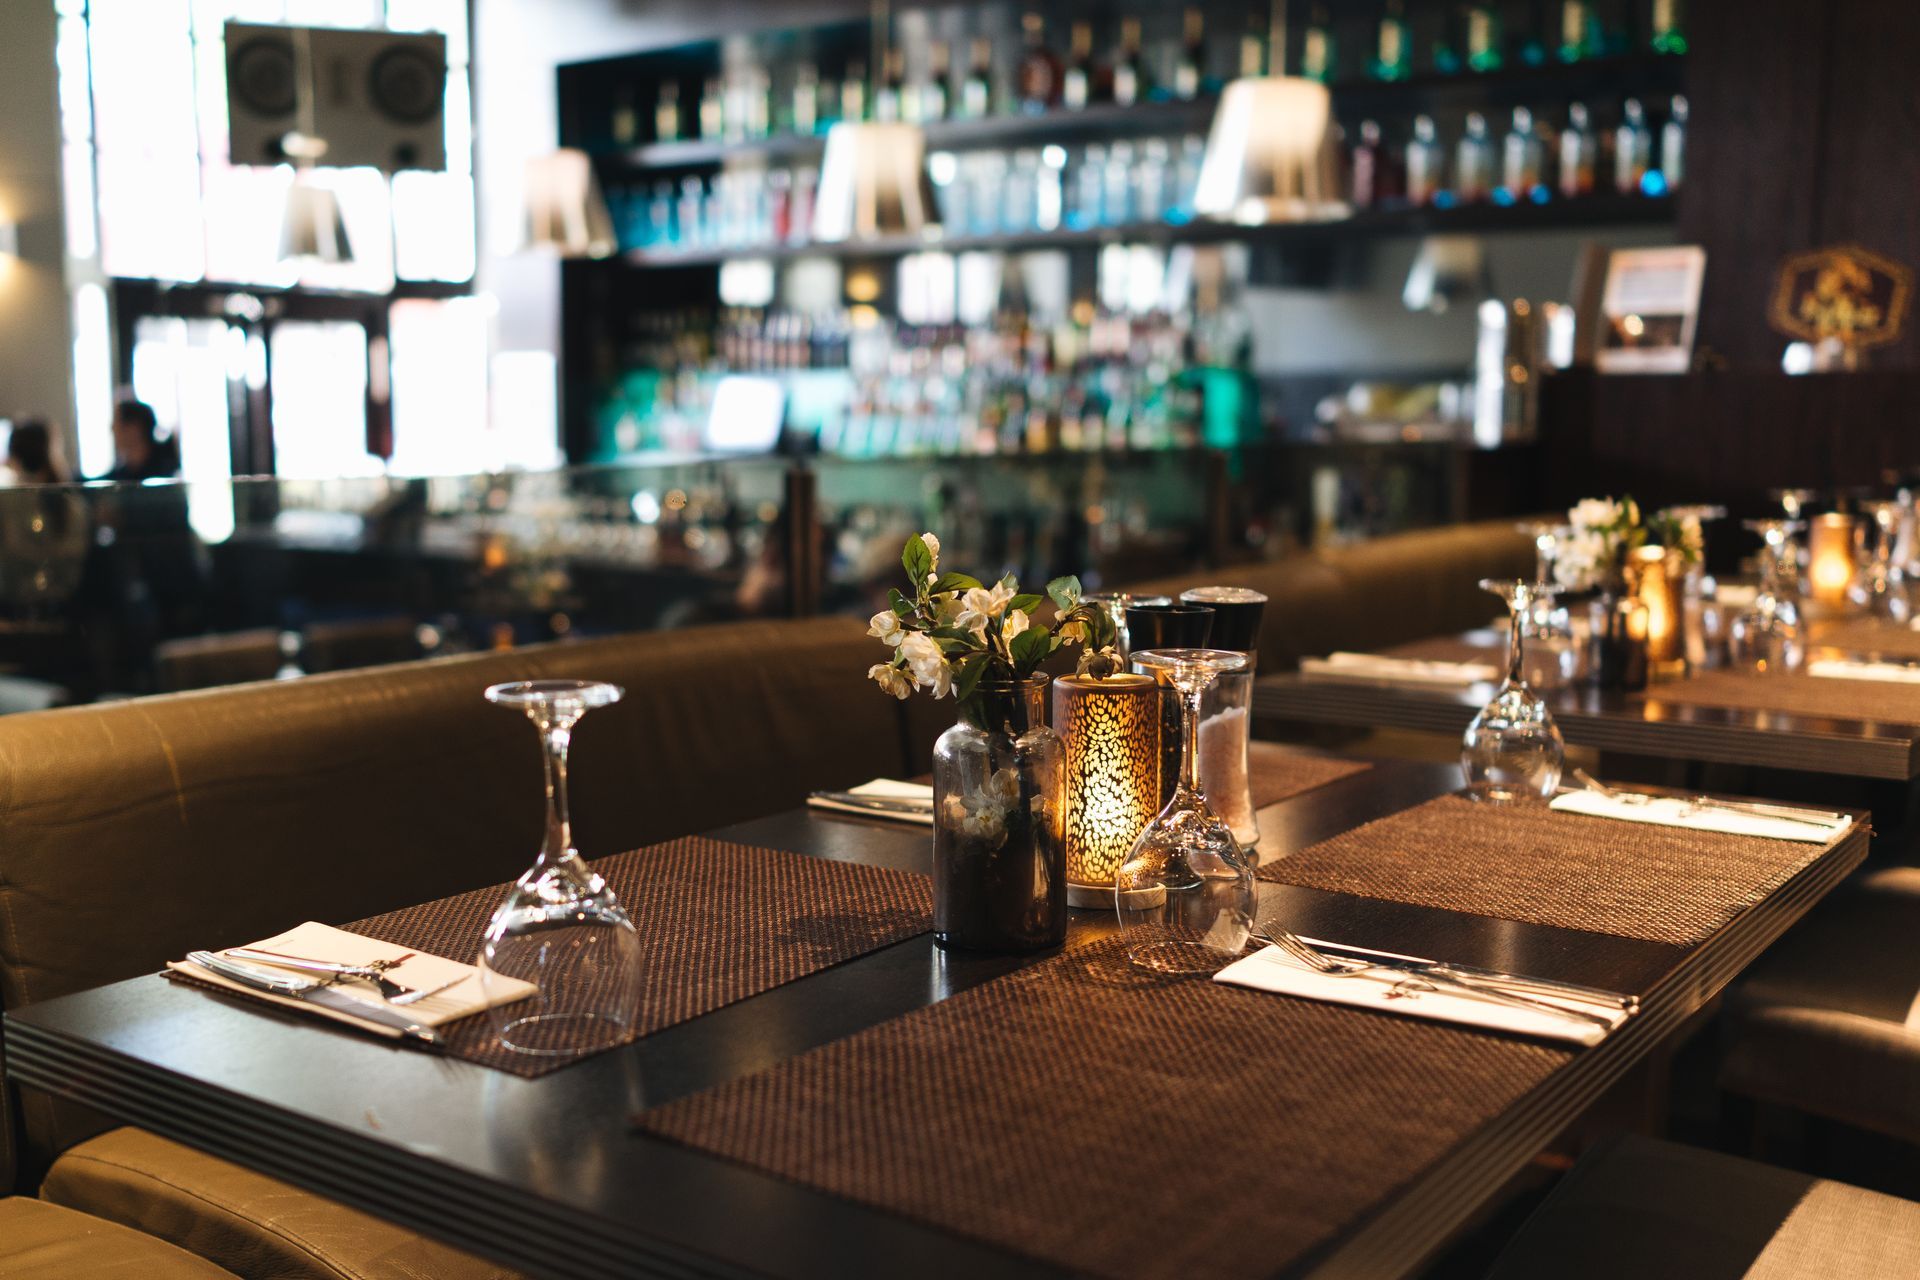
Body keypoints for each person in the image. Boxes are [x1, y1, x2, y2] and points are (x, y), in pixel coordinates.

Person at [103, 399, 181, 483]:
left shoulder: (166, 476)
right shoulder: (122, 474)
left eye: (117, 424)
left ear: (134, 428)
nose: (112, 429)